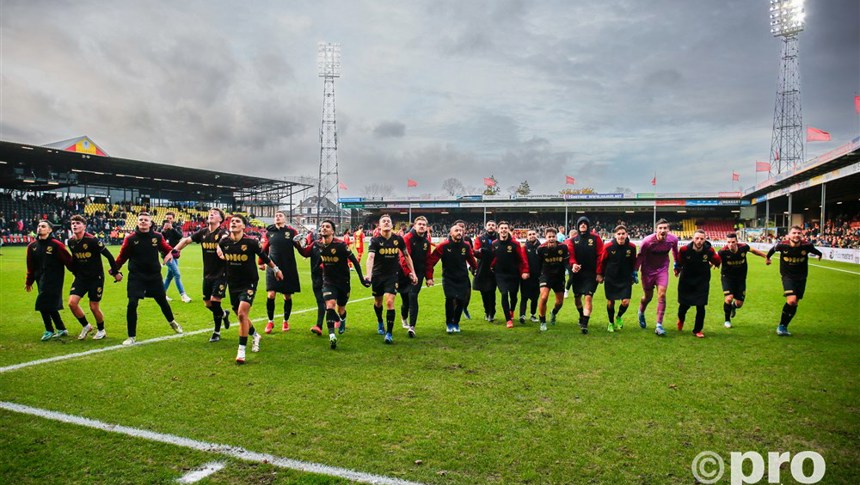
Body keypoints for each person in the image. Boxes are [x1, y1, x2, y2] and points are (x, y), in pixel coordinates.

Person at [217, 214, 281, 364]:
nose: (233, 223)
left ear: (243, 226)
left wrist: (276, 269)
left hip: (249, 283)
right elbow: (220, 253)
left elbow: (264, 257)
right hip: (233, 283)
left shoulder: (251, 242)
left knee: (241, 314)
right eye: (232, 221)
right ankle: (255, 335)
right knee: (240, 315)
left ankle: (241, 351)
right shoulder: (224, 242)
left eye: (237, 221)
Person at [114, 212, 183, 345]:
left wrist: (172, 254)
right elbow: (122, 256)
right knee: (132, 304)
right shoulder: (130, 239)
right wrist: (115, 270)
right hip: (136, 277)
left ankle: (172, 322)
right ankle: (131, 336)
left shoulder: (157, 236)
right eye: (141, 219)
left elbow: (168, 249)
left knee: (162, 301)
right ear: (137, 222)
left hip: (154, 276)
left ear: (150, 223)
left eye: (146, 220)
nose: (143, 222)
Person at [173, 208, 232, 342]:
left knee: (215, 301)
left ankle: (216, 332)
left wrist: (220, 246)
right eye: (210, 213)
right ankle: (223, 314)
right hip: (207, 274)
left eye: (215, 213)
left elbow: (225, 239)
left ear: (220, 219)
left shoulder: (222, 232)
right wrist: (174, 250)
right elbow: (186, 240)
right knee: (207, 303)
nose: (211, 214)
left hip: (221, 273)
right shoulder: (203, 232)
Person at [310, 219, 369, 349]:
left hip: (343, 282)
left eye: (327, 227)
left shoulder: (341, 245)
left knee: (341, 309)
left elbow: (355, 261)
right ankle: (332, 335)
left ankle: (342, 320)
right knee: (330, 305)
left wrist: (361, 279)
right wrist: (316, 267)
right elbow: (321, 257)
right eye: (322, 226)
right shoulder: (318, 244)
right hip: (328, 281)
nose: (324, 228)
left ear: (333, 231)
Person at [67, 214, 121, 340]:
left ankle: (101, 330)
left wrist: (116, 272)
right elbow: (75, 259)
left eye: (78, 223)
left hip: (96, 278)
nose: (74, 225)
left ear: (84, 226)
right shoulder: (71, 242)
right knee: (72, 303)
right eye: (73, 223)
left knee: (93, 306)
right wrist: (75, 274)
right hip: (81, 278)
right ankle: (86, 326)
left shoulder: (93, 240)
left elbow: (109, 256)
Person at [366, 214, 417, 344]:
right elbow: (370, 257)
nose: (386, 223)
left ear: (392, 224)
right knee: (378, 302)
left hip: (392, 276)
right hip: (378, 276)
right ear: (379, 225)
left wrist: (413, 272)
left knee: (389, 302)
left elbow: (406, 256)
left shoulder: (398, 239)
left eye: (388, 221)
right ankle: (380, 321)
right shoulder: (375, 240)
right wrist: (368, 275)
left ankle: (389, 333)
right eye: (384, 221)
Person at [766, 225, 823, 336]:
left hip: (801, 277)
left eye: (798, 233)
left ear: (802, 235)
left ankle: (784, 326)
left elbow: (815, 251)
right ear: (789, 235)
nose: (796, 235)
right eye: (794, 233)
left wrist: (819, 255)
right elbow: (772, 250)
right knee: (791, 300)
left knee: (795, 303)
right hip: (787, 276)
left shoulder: (807, 245)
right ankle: (781, 326)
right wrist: (768, 258)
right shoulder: (782, 245)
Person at [425, 224, 478, 334]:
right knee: (450, 299)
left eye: (461, 230)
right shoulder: (444, 246)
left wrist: (476, 269)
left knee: (461, 300)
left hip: (462, 278)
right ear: (451, 233)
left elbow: (472, 260)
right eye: (456, 230)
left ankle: (456, 323)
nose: (459, 232)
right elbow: (431, 261)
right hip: (448, 278)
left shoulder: (466, 246)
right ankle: (449, 323)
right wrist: (429, 277)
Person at [25, 220, 73, 341]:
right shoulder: (32, 246)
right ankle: (61, 328)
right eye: (39, 226)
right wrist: (29, 281)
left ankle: (49, 330)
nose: (40, 228)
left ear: (50, 230)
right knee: (49, 305)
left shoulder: (56, 245)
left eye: (43, 226)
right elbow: (30, 266)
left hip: (54, 279)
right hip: (40, 279)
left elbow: (69, 261)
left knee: (42, 303)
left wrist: (78, 274)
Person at [634, 218, 680, 336]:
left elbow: (675, 252)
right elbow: (640, 256)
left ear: (668, 230)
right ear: (656, 230)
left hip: (662, 270)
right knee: (647, 297)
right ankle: (641, 311)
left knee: (662, 294)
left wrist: (677, 264)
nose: (663, 230)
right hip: (647, 271)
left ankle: (659, 325)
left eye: (665, 228)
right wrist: (635, 271)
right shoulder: (647, 241)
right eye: (660, 228)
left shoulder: (673, 239)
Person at [260, 211, 302, 333]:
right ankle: (270, 321)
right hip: (273, 266)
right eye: (276, 216)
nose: (278, 217)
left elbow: (299, 247)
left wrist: (305, 249)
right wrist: (261, 262)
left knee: (287, 296)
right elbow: (264, 249)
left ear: (285, 219)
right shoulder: (269, 232)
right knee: (271, 294)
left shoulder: (292, 232)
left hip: (288, 267)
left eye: (280, 215)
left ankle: (285, 321)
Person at [675, 230, 721, 338]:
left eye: (701, 239)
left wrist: (716, 263)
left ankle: (697, 330)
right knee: (683, 307)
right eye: (697, 238)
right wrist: (677, 270)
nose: (699, 241)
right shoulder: (684, 250)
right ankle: (681, 320)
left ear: (705, 239)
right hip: (686, 281)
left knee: (701, 306)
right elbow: (679, 262)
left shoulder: (709, 250)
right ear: (693, 238)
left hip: (702, 282)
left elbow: (717, 260)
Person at [718, 233, 767, 328]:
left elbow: (754, 251)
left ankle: (733, 307)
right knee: (729, 298)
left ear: (737, 241)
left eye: (733, 242)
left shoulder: (744, 247)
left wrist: (766, 256)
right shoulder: (722, 251)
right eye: (728, 242)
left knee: (739, 304)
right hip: (727, 278)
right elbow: (714, 260)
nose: (730, 244)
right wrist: (712, 265)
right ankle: (727, 320)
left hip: (740, 279)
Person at [536, 227, 578, 332]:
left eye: (553, 236)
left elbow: (566, 263)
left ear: (556, 237)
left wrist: (572, 268)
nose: (551, 238)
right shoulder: (541, 249)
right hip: (546, 275)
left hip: (559, 277)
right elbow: (538, 265)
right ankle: (542, 321)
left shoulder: (563, 247)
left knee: (559, 302)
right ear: (545, 237)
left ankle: (553, 313)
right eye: (549, 236)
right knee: (544, 297)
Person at [567, 216, 604, 334]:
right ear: (578, 226)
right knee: (577, 299)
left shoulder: (596, 238)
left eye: (585, 223)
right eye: (580, 223)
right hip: (577, 275)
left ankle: (584, 324)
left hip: (591, 274)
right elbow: (571, 256)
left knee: (588, 297)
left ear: (588, 225)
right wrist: (573, 264)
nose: (583, 225)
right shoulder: (573, 240)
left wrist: (599, 273)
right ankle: (581, 315)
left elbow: (601, 256)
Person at [597, 225, 637, 333]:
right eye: (619, 234)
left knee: (626, 302)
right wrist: (599, 274)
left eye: (623, 233)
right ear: (615, 235)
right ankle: (611, 322)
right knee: (611, 302)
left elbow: (633, 262)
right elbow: (602, 261)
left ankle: (619, 316)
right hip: (611, 278)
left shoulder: (632, 247)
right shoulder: (608, 247)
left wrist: (634, 275)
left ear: (627, 234)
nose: (621, 236)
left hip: (625, 278)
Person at [490, 221, 529, 328]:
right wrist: (490, 266)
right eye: (501, 228)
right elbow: (493, 258)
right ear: (498, 230)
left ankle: (512, 310)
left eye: (505, 228)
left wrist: (524, 270)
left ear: (508, 230)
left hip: (513, 274)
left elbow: (521, 259)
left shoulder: (515, 244)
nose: (503, 230)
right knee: (504, 294)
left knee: (513, 296)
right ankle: (508, 319)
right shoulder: (494, 244)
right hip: (500, 274)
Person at [399, 216, 431, 337]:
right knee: (405, 301)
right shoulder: (407, 238)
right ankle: (404, 317)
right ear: (415, 226)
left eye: (424, 224)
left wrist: (429, 277)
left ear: (426, 227)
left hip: (419, 274)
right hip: (404, 273)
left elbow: (428, 261)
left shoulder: (426, 242)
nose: (422, 226)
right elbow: (403, 257)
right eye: (419, 224)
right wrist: (409, 272)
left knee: (413, 296)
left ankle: (412, 327)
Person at [161, 212, 191, 303]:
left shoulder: (176, 228)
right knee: (177, 274)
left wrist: (172, 229)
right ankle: (183, 295)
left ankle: (162, 294)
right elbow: (159, 240)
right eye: (167, 218)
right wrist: (164, 231)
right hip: (166, 255)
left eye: (170, 218)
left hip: (174, 255)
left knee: (169, 276)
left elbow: (180, 237)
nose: (168, 220)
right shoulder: (161, 229)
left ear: (173, 219)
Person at [472, 220, 499, 321]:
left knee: (491, 291)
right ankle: (487, 311)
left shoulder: (499, 238)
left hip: (494, 268)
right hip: (482, 268)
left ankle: (492, 313)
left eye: (493, 225)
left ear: (496, 227)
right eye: (489, 225)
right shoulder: (480, 238)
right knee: (484, 292)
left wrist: (485, 251)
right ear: (485, 227)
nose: (491, 226)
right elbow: (476, 252)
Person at [518, 229, 541, 324]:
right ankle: (522, 315)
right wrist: (524, 272)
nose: (532, 235)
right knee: (524, 297)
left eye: (533, 234)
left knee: (535, 297)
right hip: (526, 276)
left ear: (537, 235)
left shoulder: (541, 247)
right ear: (527, 236)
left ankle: (533, 314)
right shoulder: (524, 247)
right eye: (530, 234)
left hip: (538, 276)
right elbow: (522, 261)